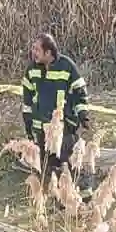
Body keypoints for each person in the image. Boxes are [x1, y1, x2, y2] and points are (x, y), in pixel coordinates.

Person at [22, 33, 90, 179]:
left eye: (37, 49)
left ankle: (76, 198)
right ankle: (52, 198)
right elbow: (27, 101)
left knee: (68, 168)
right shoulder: (31, 70)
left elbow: (80, 92)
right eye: (33, 49)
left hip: (63, 128)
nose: (33, 52)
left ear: (48, 52)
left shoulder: (66, 66)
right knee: (47, 172)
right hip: (41, 131)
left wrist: (83, 115)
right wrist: (28, 126)